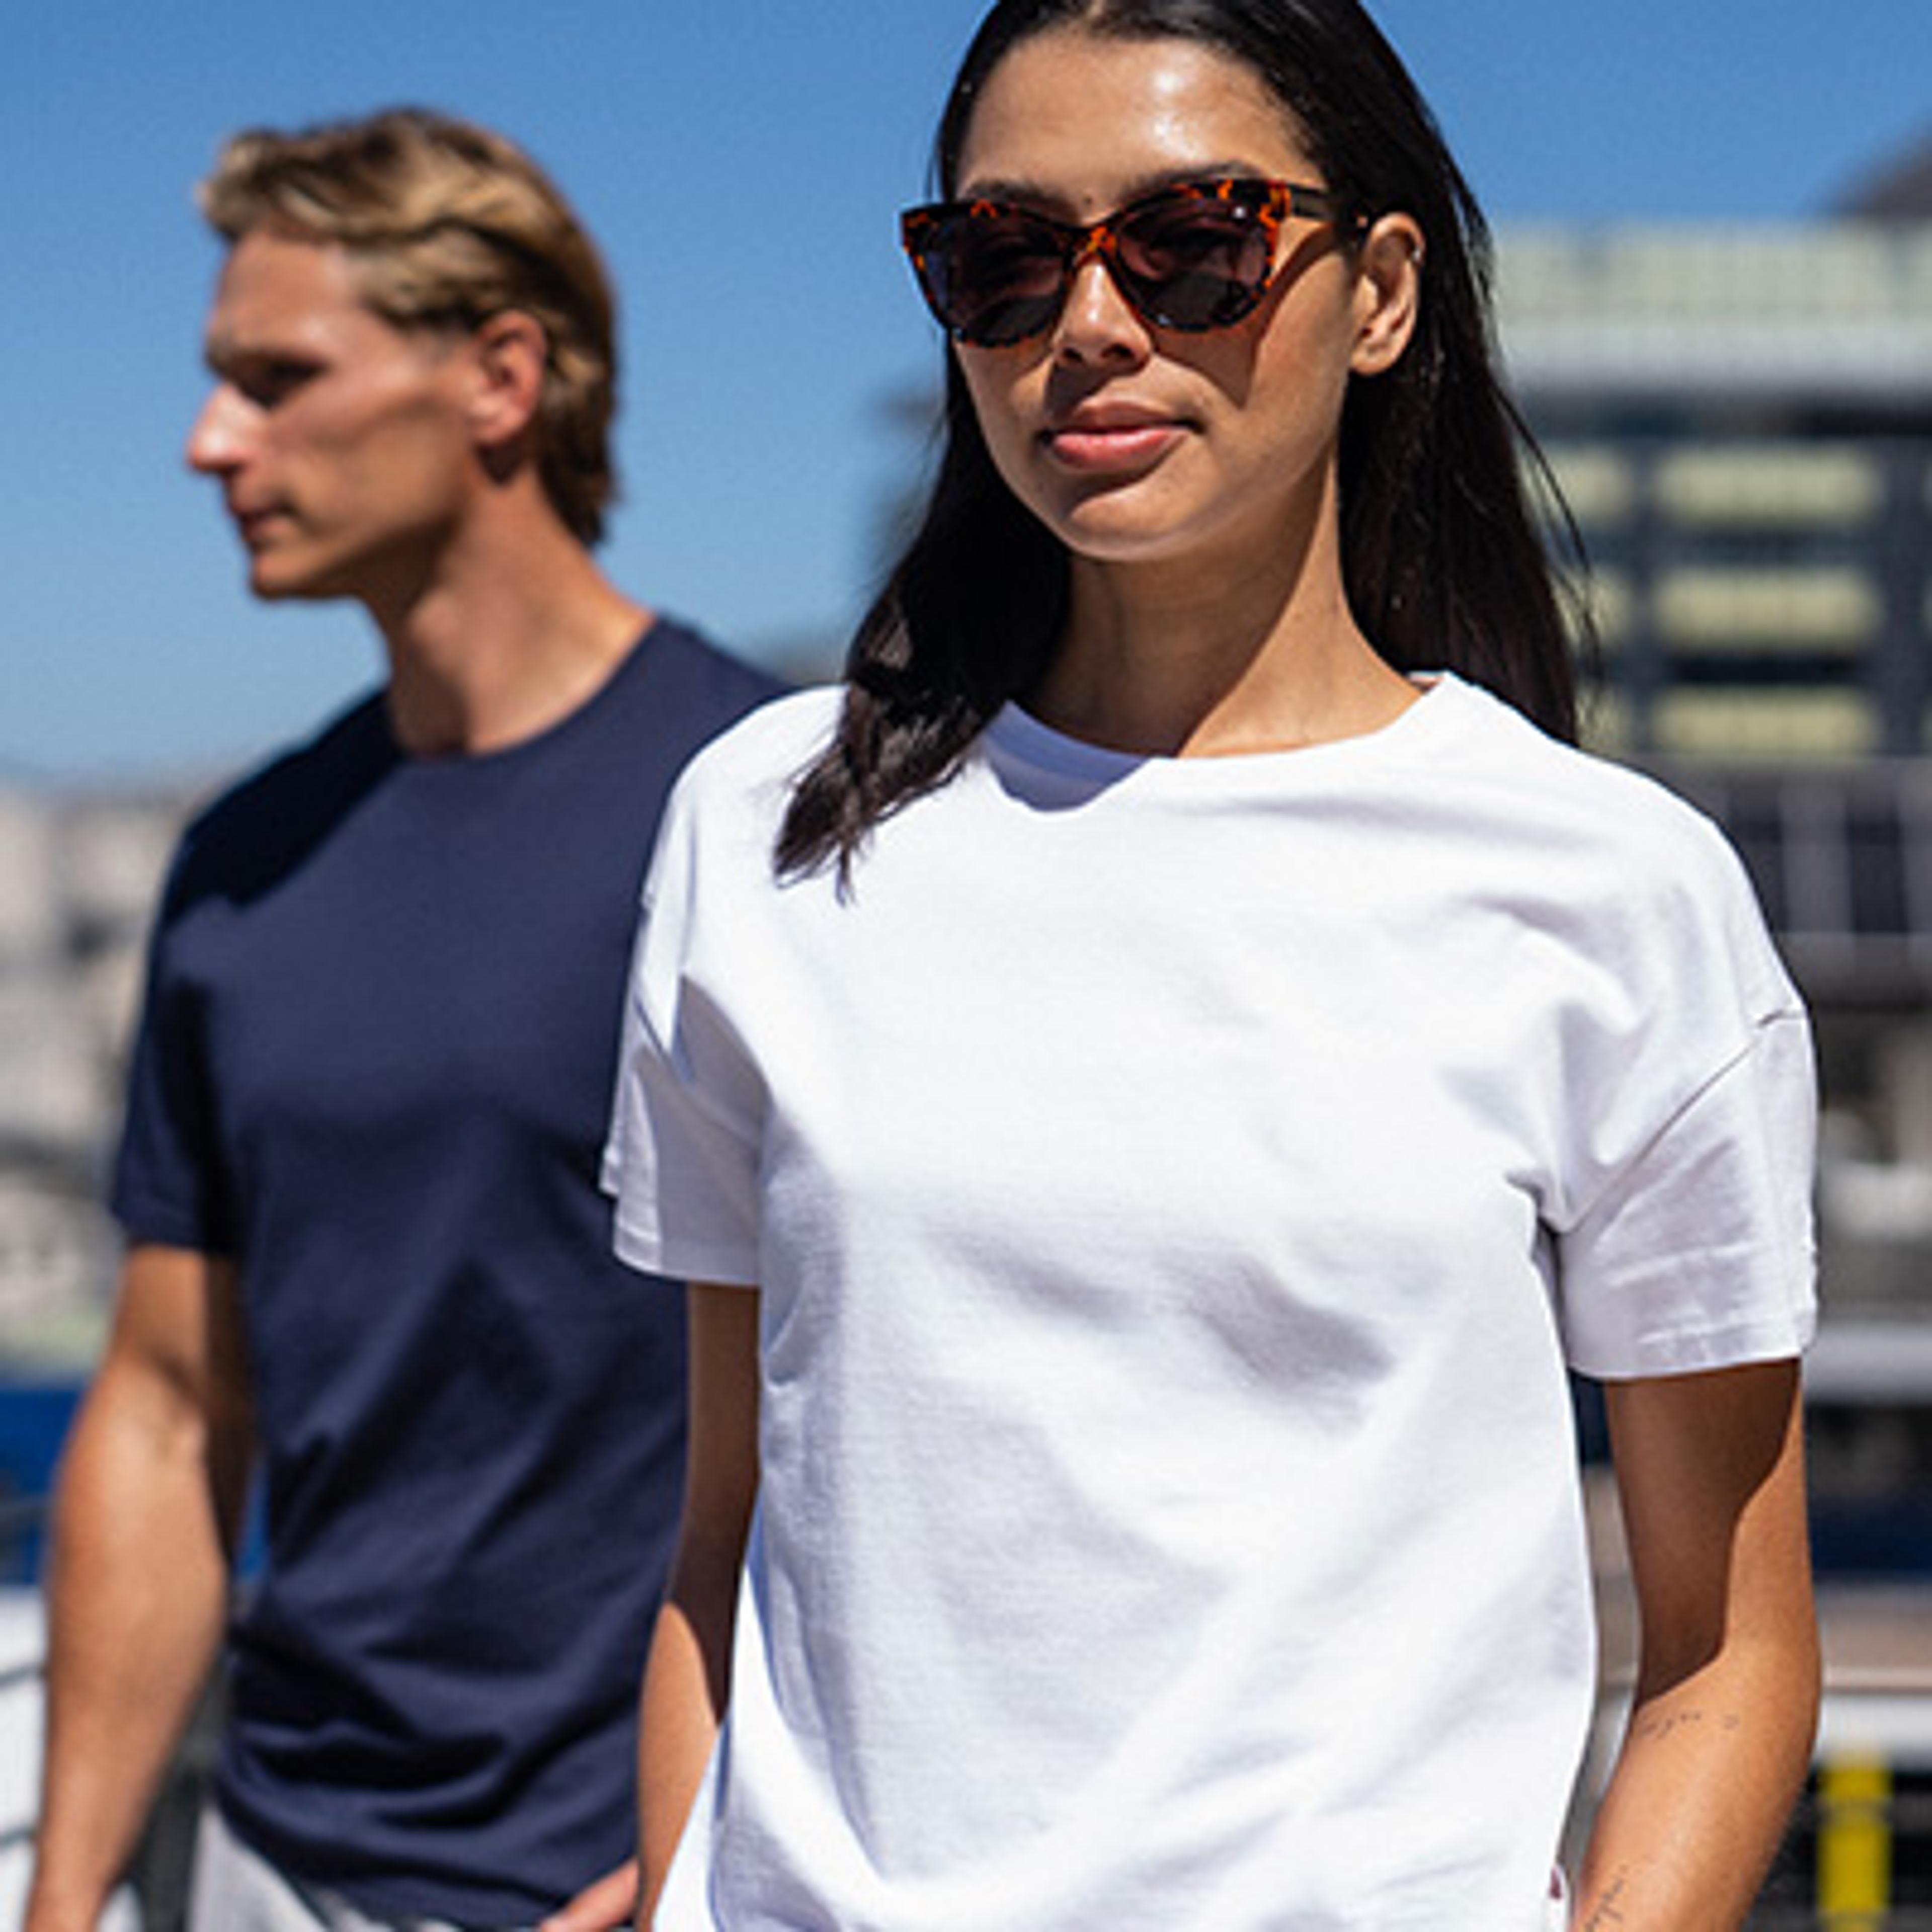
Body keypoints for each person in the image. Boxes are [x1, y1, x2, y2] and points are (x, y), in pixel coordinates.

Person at [604, 3, 1823, 1927]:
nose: (1091, 325)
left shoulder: (1611, 895)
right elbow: (721, 1531)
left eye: (1195, 239)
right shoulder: (767, 830)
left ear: (1383, 292)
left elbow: (1727, 1651)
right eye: (1003, 257)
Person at [27, 108, 780, 1932]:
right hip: (271, 1859)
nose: (216, 443)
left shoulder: (772, 813)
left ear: (501, 376)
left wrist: (696, 1856)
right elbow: (166, 1409)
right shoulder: (239, 868)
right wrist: (61, 1904)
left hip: (659, 1873)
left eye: (278, 381)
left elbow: (907, 1414)